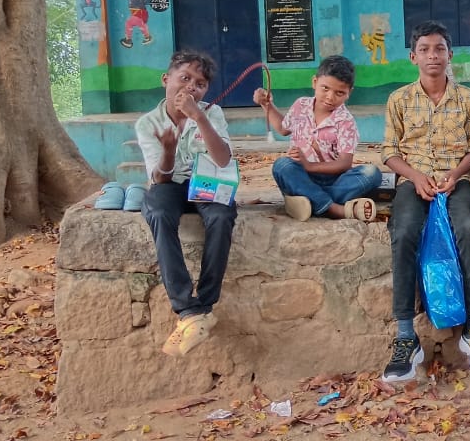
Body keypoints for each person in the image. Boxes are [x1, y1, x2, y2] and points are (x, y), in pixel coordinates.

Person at [380, 21, 470, 383]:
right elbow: (389, 152)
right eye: (425, 49)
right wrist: (416, 177)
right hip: (412, 181)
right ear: (413, 57)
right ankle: (406, 334)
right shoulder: (399, 99)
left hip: (455, 181)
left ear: (450, 55)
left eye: (440, 49)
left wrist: (453, 175)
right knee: (404, 233)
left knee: (468, 229)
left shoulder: (467, 98)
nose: (432, 56)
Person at [136, 51, 237, 357]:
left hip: (206, 181)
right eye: (185, 78)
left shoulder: (212, 113)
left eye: (200, 83)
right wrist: (168, 151)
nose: (192, 86)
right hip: (170, 185)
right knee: (157, 211)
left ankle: (203, 305)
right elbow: (160, 178)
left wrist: (199, 117)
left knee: (221, 216)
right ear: (166, 79)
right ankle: (186, 308)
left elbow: (222, 159)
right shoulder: (147, 123)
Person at [252, 55, 381, 222]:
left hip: (333, 179)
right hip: (300, 175)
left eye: (339, 93)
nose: (330, 97)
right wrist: (266, 104)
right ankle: (333, 209)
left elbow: (344, 163)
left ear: (349, 93)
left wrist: (310, 165)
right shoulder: (301, 105)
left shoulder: (346, 121)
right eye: (325, 88)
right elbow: (283, 129)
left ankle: (308, 202)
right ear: (314, 82)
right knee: (282, 165)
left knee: (372, 173)